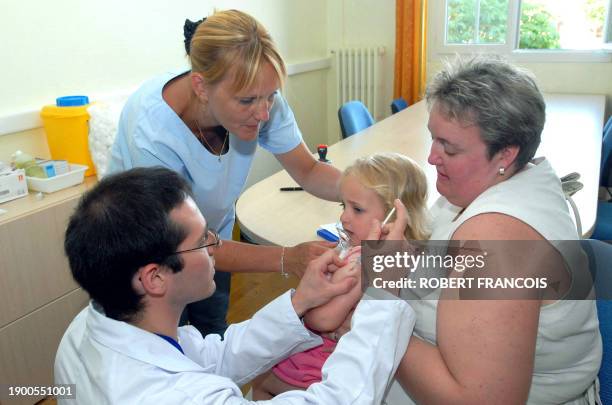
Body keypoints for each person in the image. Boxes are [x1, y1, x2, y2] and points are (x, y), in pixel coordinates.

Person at [54, 166, 415, 404]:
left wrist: (301, 302)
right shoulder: (176, 397)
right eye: (201, 240)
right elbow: (338, 399)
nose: (215, 245)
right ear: (155, 277)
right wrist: (382, 296)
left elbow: (215, 357)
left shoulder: (89, 327)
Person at [373, 57, 602, 404]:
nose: (432, 157)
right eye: (433, 139)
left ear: (505, 155)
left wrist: (372, 317)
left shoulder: (496, 244)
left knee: (290, 380)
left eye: (448, 147)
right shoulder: (509, 179)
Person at [108, 9, 342, 336]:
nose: (263, 113)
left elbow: (309, 170)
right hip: (149, 252)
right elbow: (188, 242)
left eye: (271, 96)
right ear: (201, 88)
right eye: (247, 101)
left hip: (213, 238)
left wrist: (361, 188)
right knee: (167, 348)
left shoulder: (258, 94)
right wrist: (289, 258)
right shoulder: (152, 135)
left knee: (211, 333)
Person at [252, 152, 430, 399]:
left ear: (394, 216)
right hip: (346, 362)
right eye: (343, 206)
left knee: (260, 382)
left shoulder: (363, 262)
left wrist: (309, 302)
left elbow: (322, 320)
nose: (344, 217)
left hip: (318, 370)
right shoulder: (412, 252)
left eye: (357, 209)